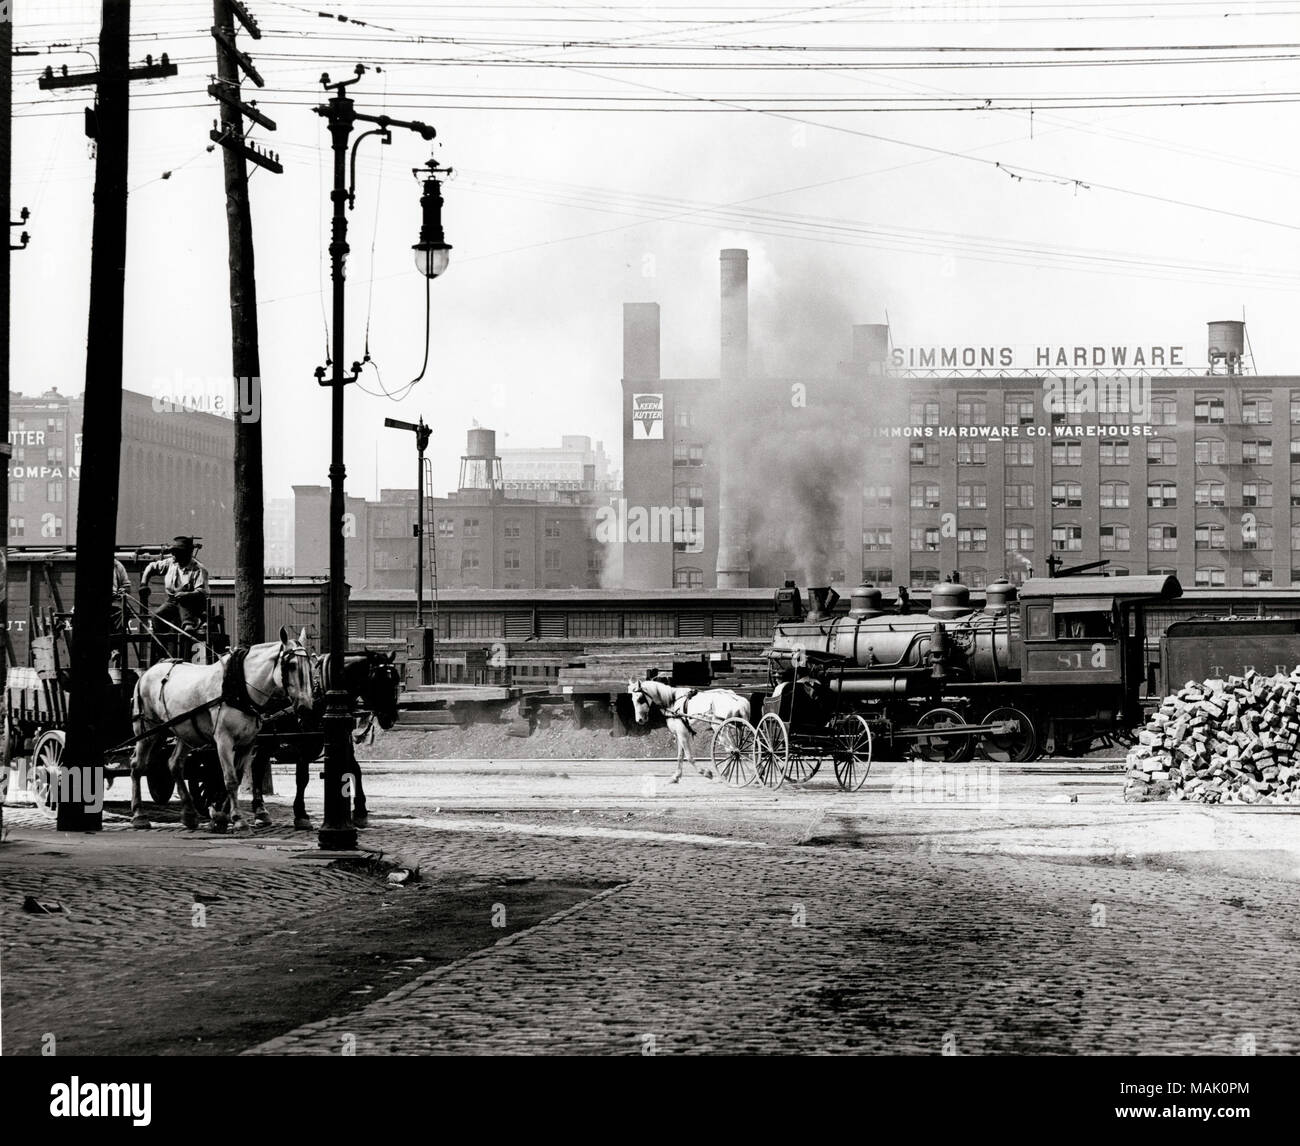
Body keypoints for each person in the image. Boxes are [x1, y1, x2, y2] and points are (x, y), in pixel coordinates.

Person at [140, 536, 210, 655]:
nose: (174, 555)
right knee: (157, 617)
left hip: (194, 605)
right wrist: (143, 584)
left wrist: (186, 594)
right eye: (173, 552)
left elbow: (202, 593)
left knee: (183, 596)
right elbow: (150, 567)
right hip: (173, 602)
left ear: (187, 553)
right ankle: (163, 653)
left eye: (178, 552)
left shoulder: (198, 569)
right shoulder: (171, 563)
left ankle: (188, 624)